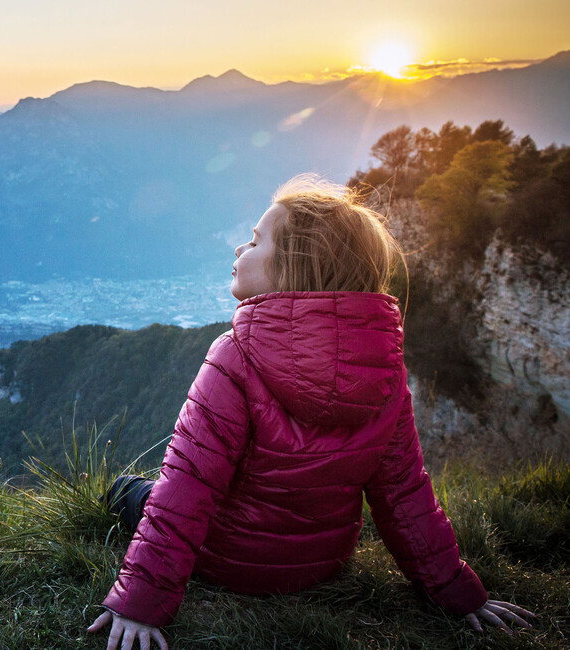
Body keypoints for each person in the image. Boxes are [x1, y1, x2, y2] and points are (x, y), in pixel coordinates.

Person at [86, 174, 534, 650]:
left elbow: (188, 487)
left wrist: (139, 606)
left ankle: (120, 492)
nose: (240, 248)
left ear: (294, 267)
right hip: (323, 564)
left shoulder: (235, 354)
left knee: (132, 491)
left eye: (257, 241)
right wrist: (459, 594)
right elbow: (404, 495)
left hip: (226, 561)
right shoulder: (384, 370)